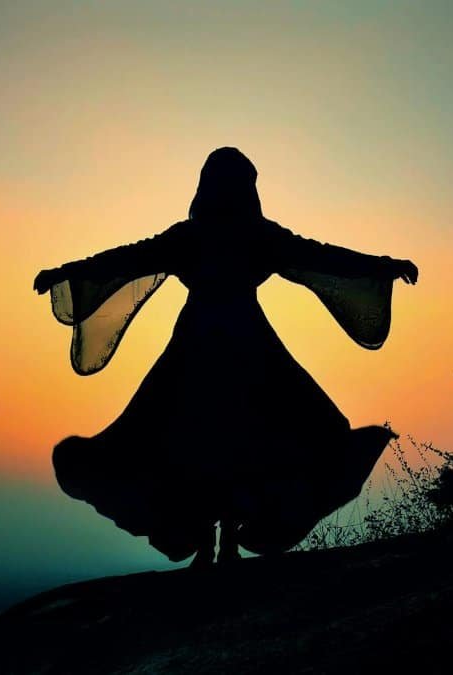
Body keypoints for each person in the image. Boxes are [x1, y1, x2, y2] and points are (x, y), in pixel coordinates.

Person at [34, 147, 418, 567]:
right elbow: (130, 257)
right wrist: (65, 272)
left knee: (214, 436)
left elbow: (319, 255)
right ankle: (211, 540)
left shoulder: (228, 236)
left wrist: (383, 265)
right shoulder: (220, 236)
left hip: (219, 346)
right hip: (225, 346)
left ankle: (218, 540)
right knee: (208, 436)